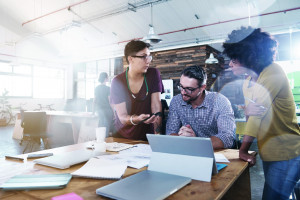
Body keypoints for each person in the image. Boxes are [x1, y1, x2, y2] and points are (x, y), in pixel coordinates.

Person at [223, 26, 300, 200]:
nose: (230, 64)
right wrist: (250, 112)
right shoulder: (248, 81)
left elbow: (255, 117)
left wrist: (242, 150)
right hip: (269, 152)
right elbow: (251, 115)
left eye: (234, 59)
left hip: (287, 153)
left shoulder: (273, 72)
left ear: (249, 57)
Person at [166, 65, 236, 149]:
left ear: (202, 87)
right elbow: (170, 133)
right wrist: (181, 137)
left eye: (189, 89)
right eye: (181, 86)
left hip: (215, 153)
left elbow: (227, 138)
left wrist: (196, 142)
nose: (183, 92)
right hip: (186, 151)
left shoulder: (220, 101)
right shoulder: (176, 101)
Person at [110, 40, 164, 140]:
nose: (148, 61)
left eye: (149, 56)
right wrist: (137, 119)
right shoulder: (117, 81)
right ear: (130, 59)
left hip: (147, 135)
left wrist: (157, 133)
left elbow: (156, 106)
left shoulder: (153, 74)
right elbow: (122, 116)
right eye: (143, 57)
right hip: (122, 136)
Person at [94, 72, 113, 137]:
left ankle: (100, 142)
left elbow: (94, 101)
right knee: (106, 128)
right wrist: (114, 112)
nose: (108, 78)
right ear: (105, 78)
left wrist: (93, 111)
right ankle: (105, 143)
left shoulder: (96, 88)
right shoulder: (108, 88)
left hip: (99, 110)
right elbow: (110, 101)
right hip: (107, 110)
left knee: (101, 127)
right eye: (107, 77)